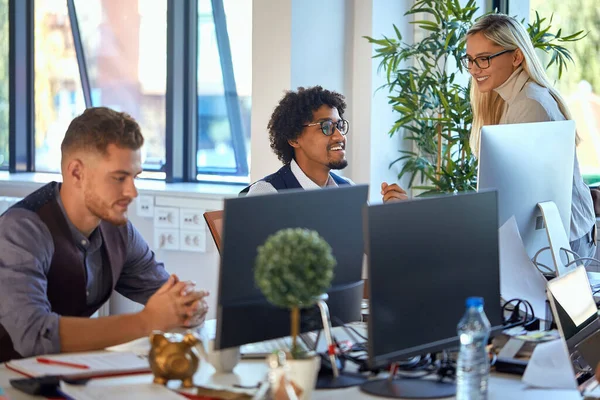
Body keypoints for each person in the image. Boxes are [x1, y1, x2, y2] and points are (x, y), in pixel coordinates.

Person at [0, 107, 209, 362]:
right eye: (119, 178)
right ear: (76, 172)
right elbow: (34, 336)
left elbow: (163, 293)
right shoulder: (21, 230)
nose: (132, 192)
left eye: (134, 177)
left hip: (59, 373)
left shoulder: (118, 229)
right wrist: (146, 321)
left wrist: (187, 306)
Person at [463, 14, 597, 262]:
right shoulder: (506, 98)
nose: (473, 70)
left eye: (483, 60)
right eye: (470, 60)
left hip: (563, 241)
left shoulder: (530, 104)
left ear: (516, 57)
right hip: (556, 237)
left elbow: (517, 197)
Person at [242, 86, 407, 202]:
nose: (339, 136)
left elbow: (365, 250)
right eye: (326, 127)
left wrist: (391, 219)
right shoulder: (267, 194)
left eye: (340, 126)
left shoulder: (348, 190)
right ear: (294, 138)